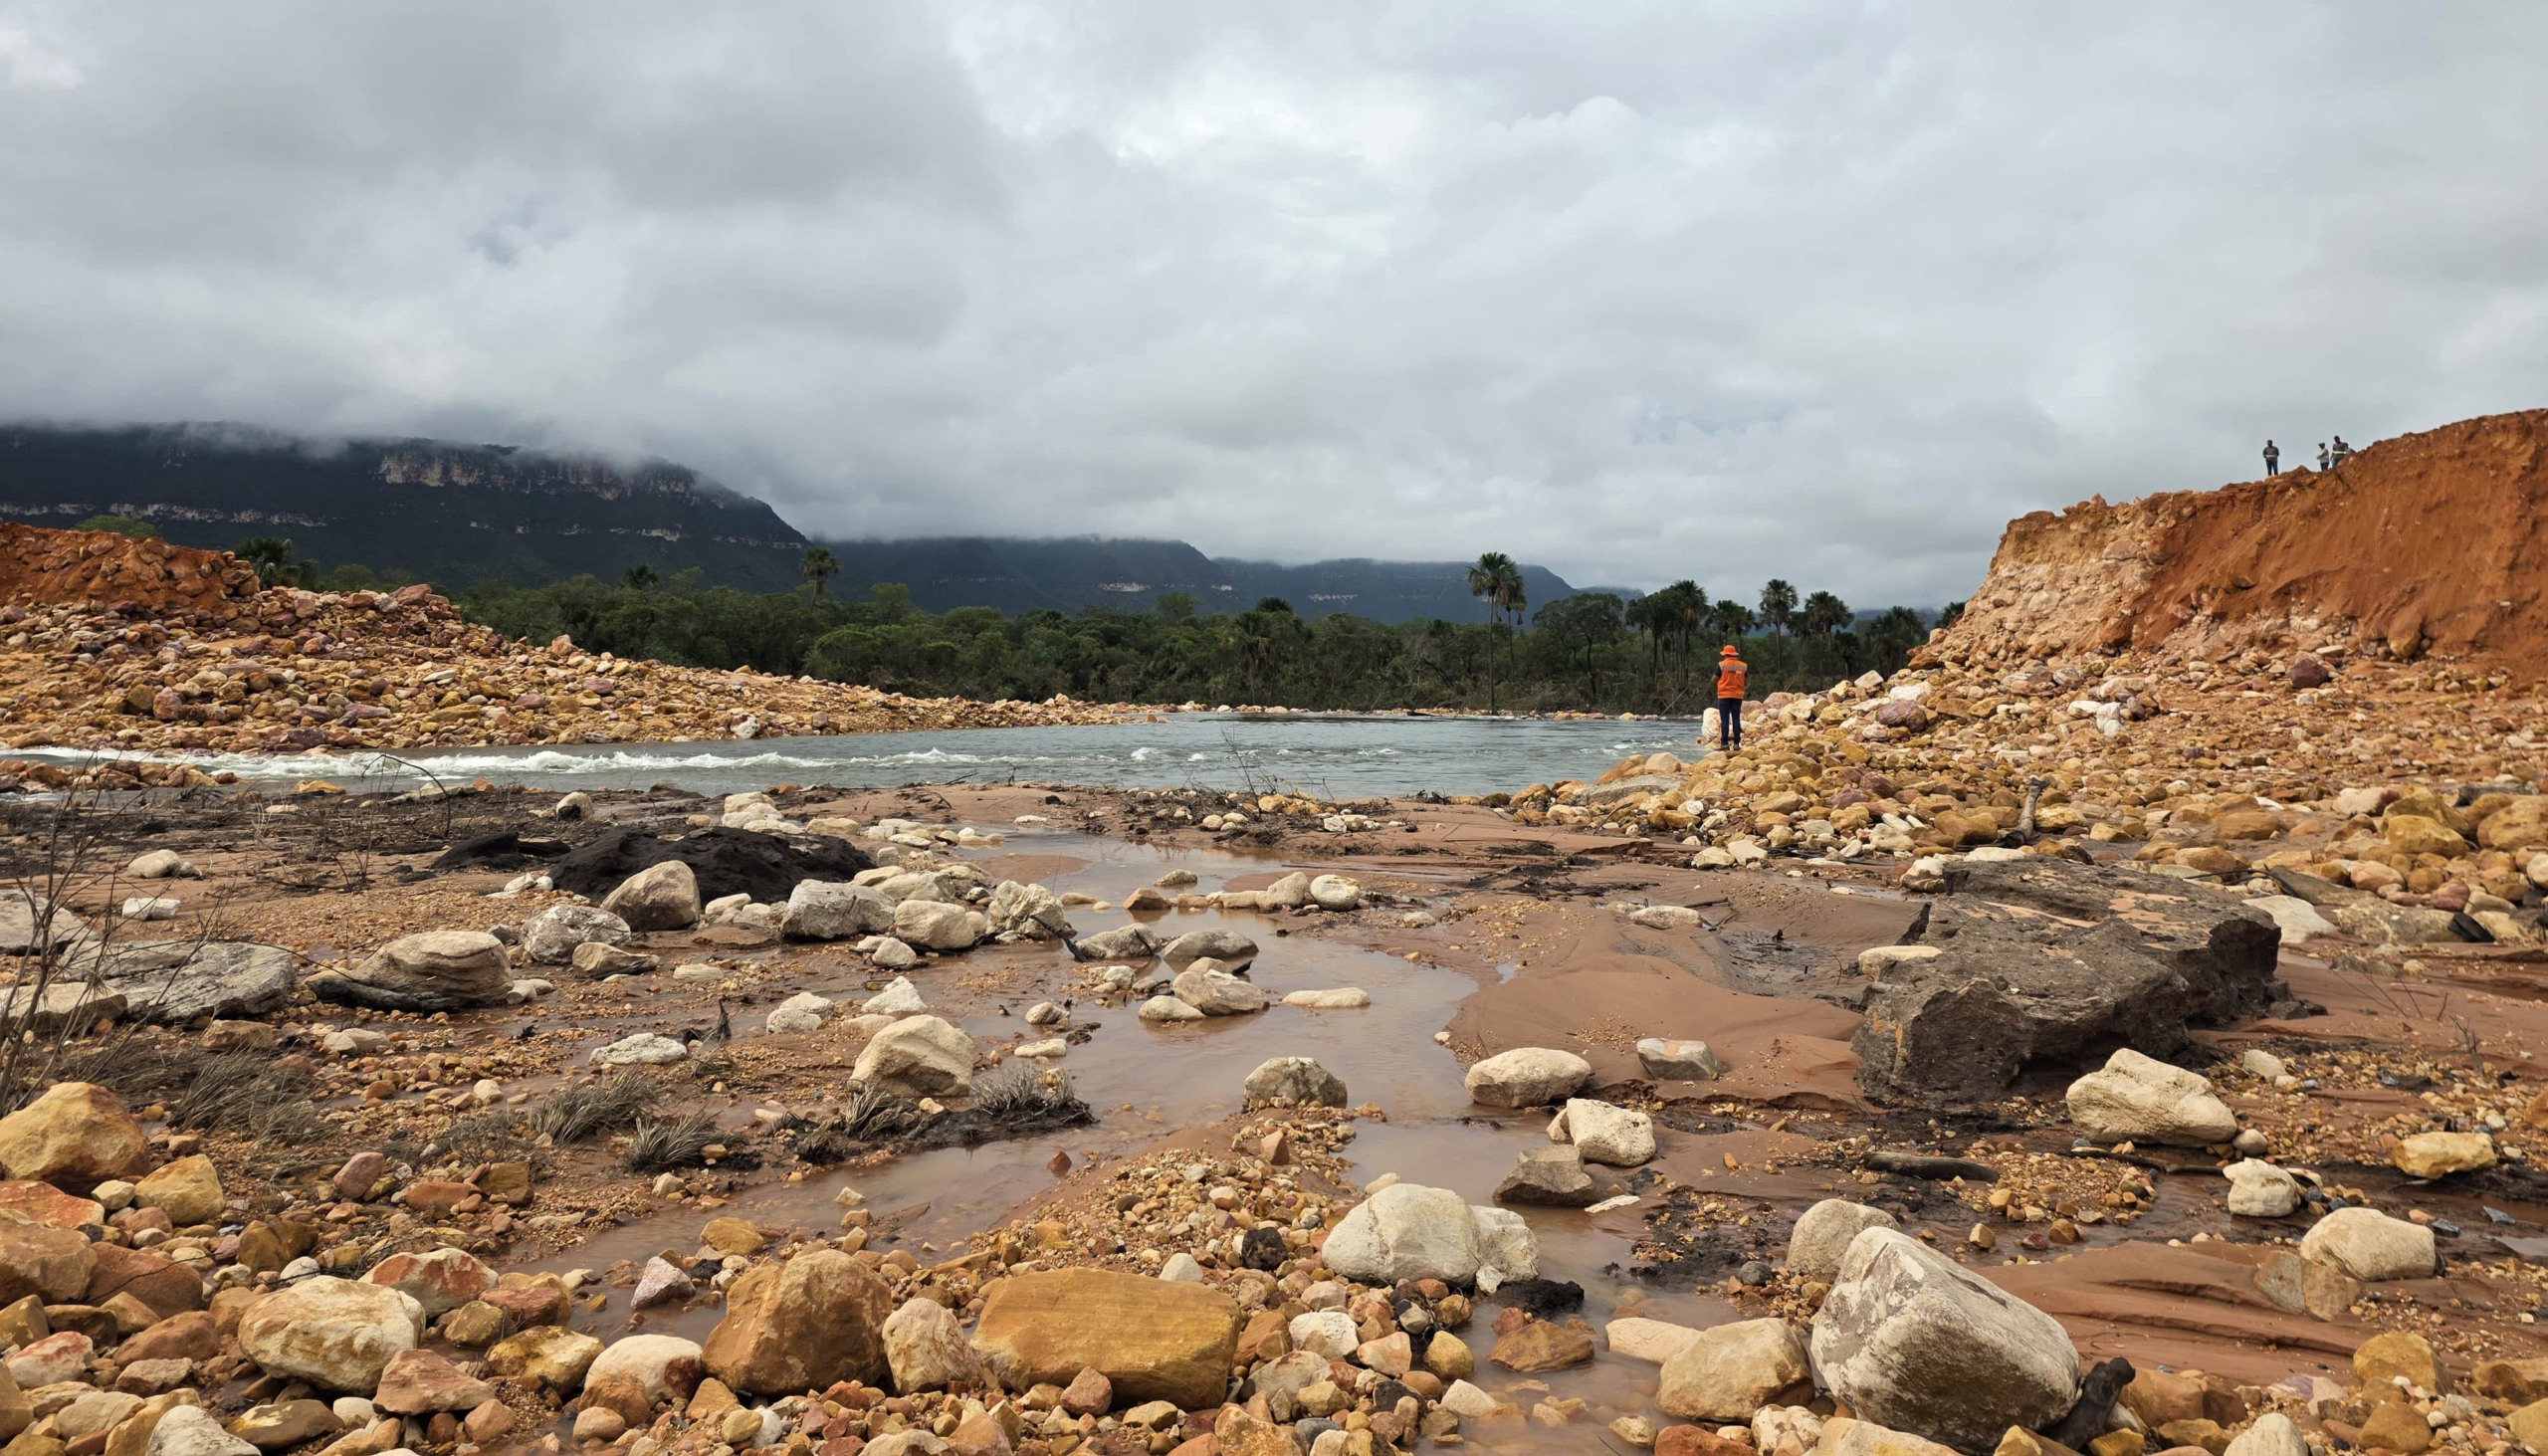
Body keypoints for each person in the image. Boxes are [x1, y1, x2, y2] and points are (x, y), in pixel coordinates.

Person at [1714, 644, 1748, 752]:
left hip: (1723, 695)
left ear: (1725, 654)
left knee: (1724, 720)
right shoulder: (1743, 666)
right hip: (1737, 695)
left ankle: (1724, 744)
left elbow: (1714, 679)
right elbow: (1745, 681)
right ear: (1734, 654)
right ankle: (1737, 744)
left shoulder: (1721, 665)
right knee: (1736, 719)